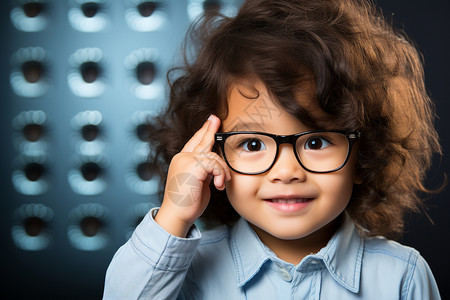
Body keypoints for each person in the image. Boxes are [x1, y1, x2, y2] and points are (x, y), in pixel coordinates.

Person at [103, 0, 442, 298]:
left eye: (315, 141)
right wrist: (174, 215)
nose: (286, 172)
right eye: (252, 144)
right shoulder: (184, 272)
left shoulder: (403, 277)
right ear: (212, 155)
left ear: (363, 155)